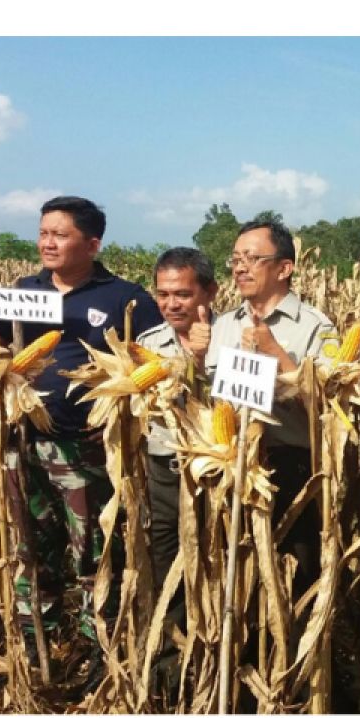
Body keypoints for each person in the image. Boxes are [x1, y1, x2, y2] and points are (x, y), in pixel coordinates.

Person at [0, 196, 162, 680]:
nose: (47, 242)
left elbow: (155, 363)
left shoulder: (123, 298)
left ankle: (99, 648)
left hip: (85, 448)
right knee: (28, 548)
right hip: (21, 445)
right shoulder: (25, 290)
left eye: (60, 234)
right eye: (44, 232)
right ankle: (34, 644)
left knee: (92, 552)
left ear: (92, 243)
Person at [204, 219, 335, 596]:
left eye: (251, 258)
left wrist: (275, 352)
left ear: (284, 268)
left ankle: (293, 653)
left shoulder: (316, 328)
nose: (240, 267)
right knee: (238, 576)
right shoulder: (224, 325)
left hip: (293, 466)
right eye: (235, 259)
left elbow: (330, 405)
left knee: (294, 576)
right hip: (234, 464)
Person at [134, 247, 215, 692]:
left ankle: (219, 655)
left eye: (182, 293)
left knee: (219, 559)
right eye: (163, 294)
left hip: (218, 473)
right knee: (167, 562)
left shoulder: (237, 337)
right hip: (164, 469)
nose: (171, 304)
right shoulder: (147, 344)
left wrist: (202, 363)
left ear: (209, 291)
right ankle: (170, 664)